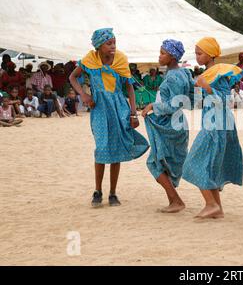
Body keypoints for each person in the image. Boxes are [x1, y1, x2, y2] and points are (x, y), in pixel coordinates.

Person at [69, 28, 149, 207]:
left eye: (114, 42)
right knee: (102, 147)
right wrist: (83, 94)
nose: (113, 46)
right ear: (99, 46)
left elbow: (129, 88)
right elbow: (72, 77)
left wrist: (133, 113)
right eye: (109, 43)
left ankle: (113, 193)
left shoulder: (121, 60)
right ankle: (97, 191)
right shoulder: (89, 60)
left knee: (117, 150)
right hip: (99, 109)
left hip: (119, 108)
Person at [182, 37, 243, 219]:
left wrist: (207, 88)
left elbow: (226, 101)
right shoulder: (208, 73)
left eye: (199, 53)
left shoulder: (218, 73)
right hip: (211, 121)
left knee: (194, 161)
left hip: (217, 123)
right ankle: (216, 208)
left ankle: (211, 204)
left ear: (210, 55)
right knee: (209, 163)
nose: (197, 56)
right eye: (196, 53)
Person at [141, 39, 195, 213]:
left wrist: (152, 106)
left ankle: (176, 201)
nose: (159, 56)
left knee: (154, 162)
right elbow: (191, 100)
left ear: (172, 57)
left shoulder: (173, 76)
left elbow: (175, 104)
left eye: (163, 53)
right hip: (177, 123)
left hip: (171, 125)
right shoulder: (184, 74)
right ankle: (173, 200)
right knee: (164, 161)